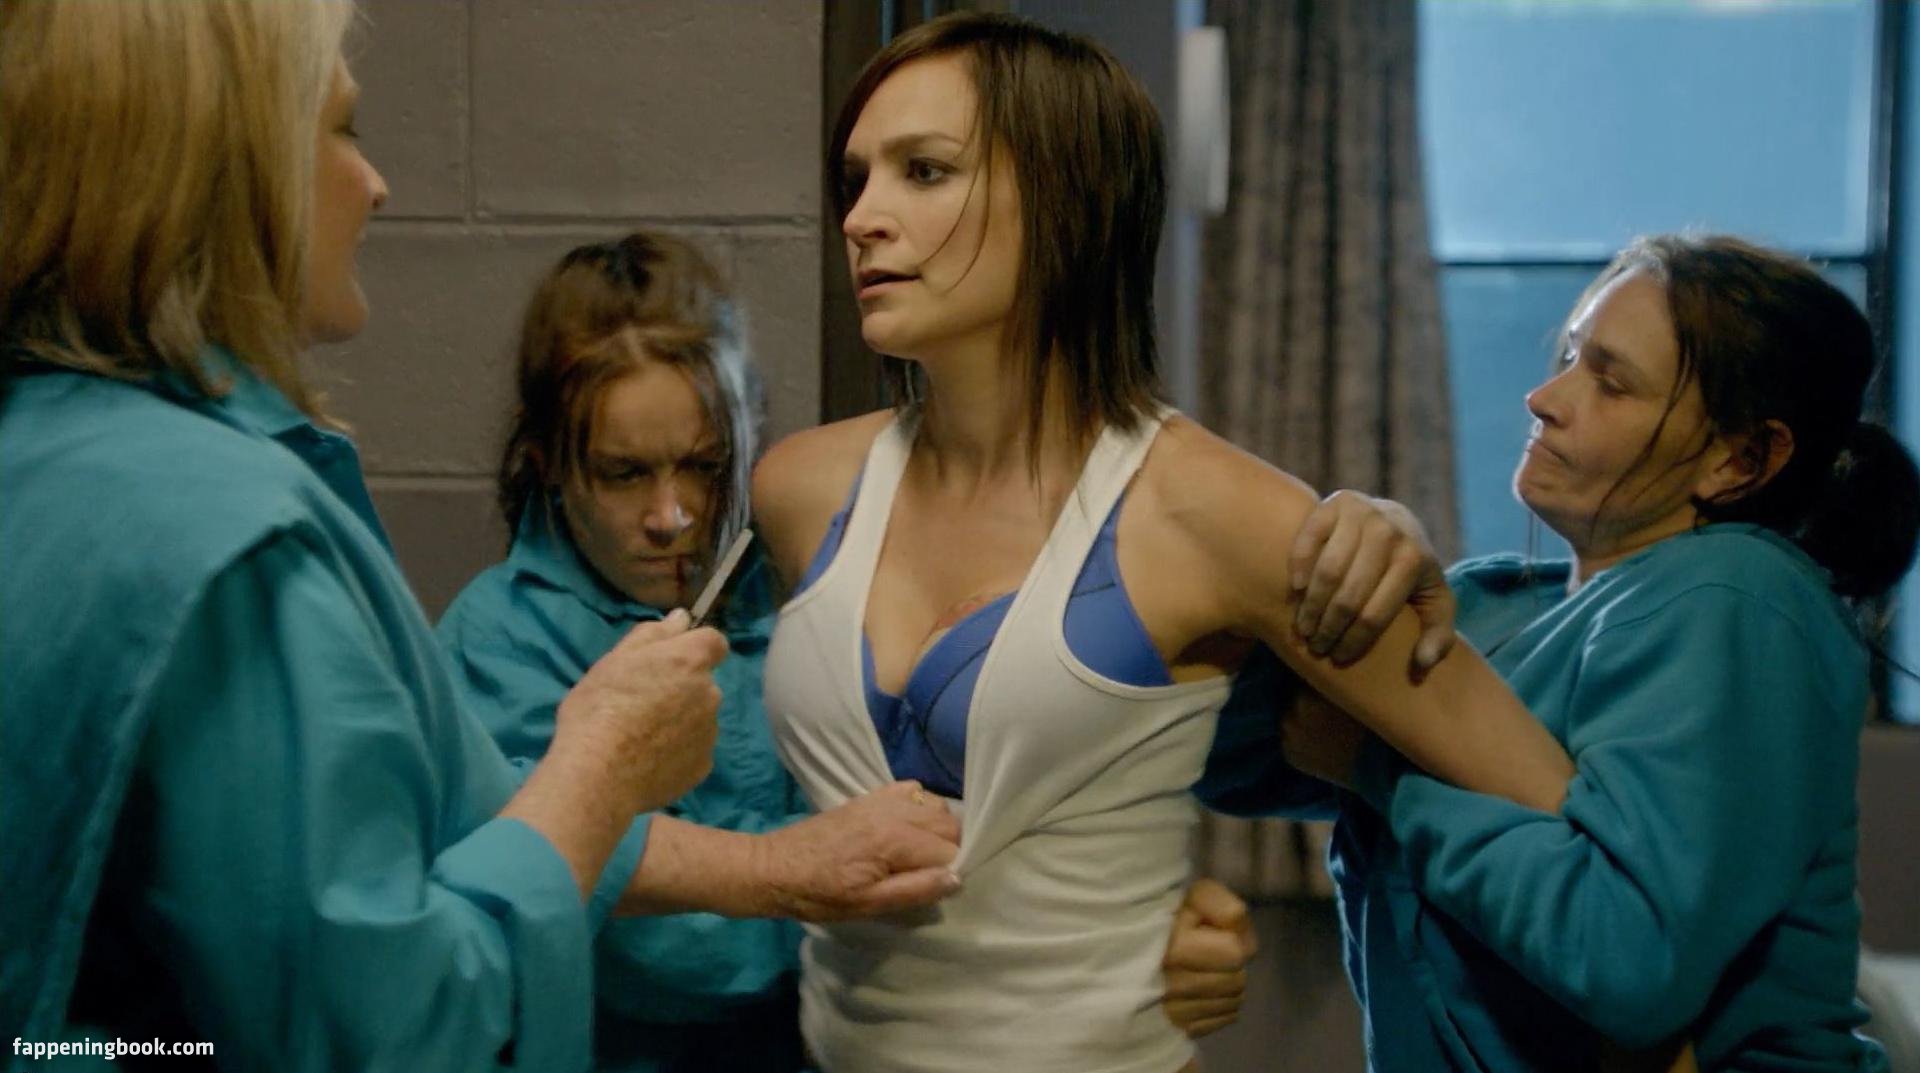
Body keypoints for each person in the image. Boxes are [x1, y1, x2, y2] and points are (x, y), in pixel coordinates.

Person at [750, 12, 1584, 1072]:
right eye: (855, 179)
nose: (864, 218)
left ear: (1066, 200)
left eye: (924, 171)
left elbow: (1548, 809)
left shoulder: (1209, 511)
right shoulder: (800, 490)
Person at [0, 3, 756, 1068]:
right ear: (227, 174)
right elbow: (389, 1033)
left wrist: (791, 868)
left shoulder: (45, 451)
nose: (376, 184)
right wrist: (601, 767)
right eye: (342, 131)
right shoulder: (232, 538)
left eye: (703, 466)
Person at [437, 231, 1267, 1071]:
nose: (672, 515)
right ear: (547, 465)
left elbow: (1011, 780)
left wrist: (1128, 924)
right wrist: (807, 875)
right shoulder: (499, 641)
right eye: (623, 474)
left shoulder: (800, 576)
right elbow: (662, 946)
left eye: (704, 466)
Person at [1273, 234, 1915, 1071]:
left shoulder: (1741, 597)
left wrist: (1384, 767)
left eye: (1610, 382)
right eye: (1572, 356)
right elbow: (1250, 742)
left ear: (1739, 459)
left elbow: (1627, 956)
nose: (1544, 397)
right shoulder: (1497, 606)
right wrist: (1362, 540)